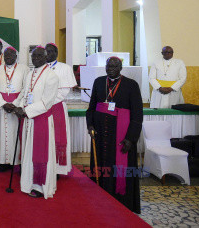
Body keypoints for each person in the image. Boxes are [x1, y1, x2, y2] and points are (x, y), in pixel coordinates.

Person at [86, 57, 143, 213]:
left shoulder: (131, 85)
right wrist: (90, 125)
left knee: (118, 169)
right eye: (108, 66)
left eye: (114, 66)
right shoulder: (98, 82)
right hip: (100, 135)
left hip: (120, 136)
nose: (110, 68)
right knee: (101, 167)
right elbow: (91, 108)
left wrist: (131, 139)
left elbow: (137, 115)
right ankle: (100, 198)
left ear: (121, 67)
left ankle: (120, 202)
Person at [14, 46, 59, 199]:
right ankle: (28, 182)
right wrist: (19, 106)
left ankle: (40, 186)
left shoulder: (51, 76)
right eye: (34, 56)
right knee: (28, 151)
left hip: (41, 120)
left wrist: (26, 111)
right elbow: (25, 94)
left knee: (40, 153)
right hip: (29, 119)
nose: (36, 59)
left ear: (46, 57)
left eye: (40, 56)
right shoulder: (30, 74)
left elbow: (47, 102)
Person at [0, 47, 29, 172]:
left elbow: (26, 88)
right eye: (6, 55)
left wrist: (15, 103)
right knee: (1, 134)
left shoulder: (24, 69)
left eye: (11, 55)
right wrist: (3, 103)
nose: (8, 57)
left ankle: (16, 162)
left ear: (16, 56)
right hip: (2, 107)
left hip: (16, 106)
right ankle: (3, 161)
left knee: (16, 134)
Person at [45, 43, 77, 175]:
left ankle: (58, 169)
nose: (49, 54)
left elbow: (65, 90)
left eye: (51, 51)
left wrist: (47, 101)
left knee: (57, 137)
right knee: (45, 137)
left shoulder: (65, 68)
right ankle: (46, 165)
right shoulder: (39, 67)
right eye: (46, 52)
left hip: (57, 107)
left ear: (57, 53)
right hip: (42, 109)